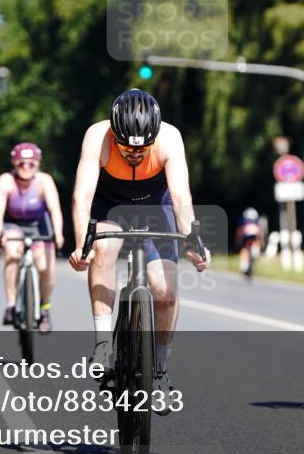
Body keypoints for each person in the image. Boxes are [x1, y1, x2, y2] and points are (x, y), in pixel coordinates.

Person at [69, 89, 209, 413]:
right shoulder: (97, 136)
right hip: (110, 206)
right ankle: (104, 343)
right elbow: (82, 196)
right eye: (126, 148)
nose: (133, 154)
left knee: (166, 290)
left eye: (141, 149)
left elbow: (180, 197)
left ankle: (159, 371)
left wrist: (193, 241)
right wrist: (81, 245)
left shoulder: (170, 138)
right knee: (103, 248)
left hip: (154, 206)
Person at [0, 142, 65, 334]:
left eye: (31, 163)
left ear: (38, 164)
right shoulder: (6, 181)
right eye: (21, 163)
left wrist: (58, 233)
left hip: (39, 224)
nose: (26, 167)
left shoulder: (44, 181)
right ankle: (11, 304)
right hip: (13, 224)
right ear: (14, 164)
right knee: (12, 255)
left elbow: (55, 209)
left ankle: (44, 308)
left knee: (45, 267)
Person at [236, 207, 264, 278]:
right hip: (250, 238)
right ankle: (245, 265)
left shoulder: (244, 220)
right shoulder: (255, 221)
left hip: (248, 238)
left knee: (245, 249)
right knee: (247, 249)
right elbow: (260, 232)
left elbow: (240, 230)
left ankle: (244, 265)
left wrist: (238, 240)